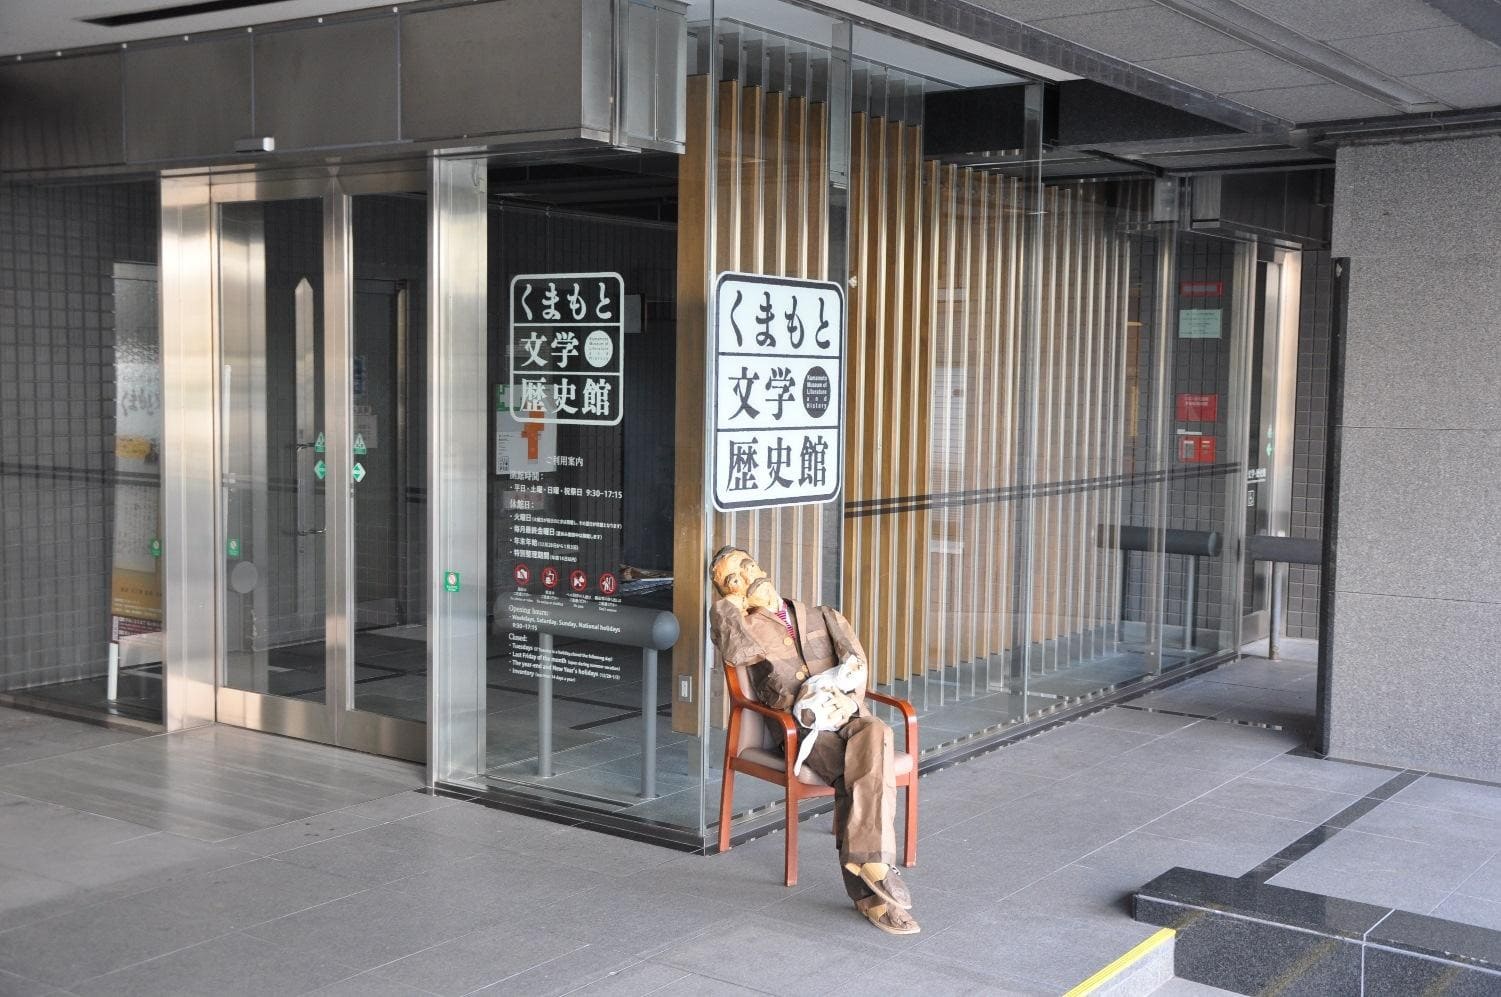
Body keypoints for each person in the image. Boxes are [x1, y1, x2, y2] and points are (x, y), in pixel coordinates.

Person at [709, 546, 919, 936]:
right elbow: (736, 651)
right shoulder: (743, 627)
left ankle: (870, 868)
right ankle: (874, 886)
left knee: (877, 731)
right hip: (804, 731)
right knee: (863, 768)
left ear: (762, 567)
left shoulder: (823, 615)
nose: (745, 577)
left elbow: (856, 663)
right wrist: (727, 606)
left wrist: (849, 700)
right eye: (731, 580)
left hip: (850, 716)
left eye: (746, 566)